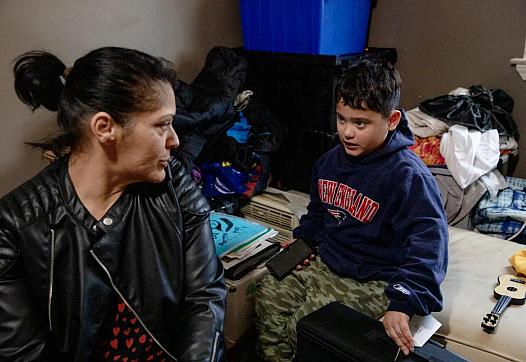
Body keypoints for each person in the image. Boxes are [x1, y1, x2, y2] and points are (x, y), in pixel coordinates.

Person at [0, 47, 226, 361]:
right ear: (105, 128)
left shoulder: (172, 183)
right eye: (162, 125)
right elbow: (24, 353)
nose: (174, 140)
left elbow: (206, 296)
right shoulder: (15, 224)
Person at [255, 59, 448, 361]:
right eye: (341, 119)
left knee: (302, 327)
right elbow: (318, 213)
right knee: (267, 292)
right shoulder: (330, 161)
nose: (347, 132)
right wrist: (304, 242)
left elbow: (429, 246)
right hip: (327, 260)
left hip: (372, 278)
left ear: (392, 119)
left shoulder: (409, 177)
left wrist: (403, 302)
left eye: (360, 123)